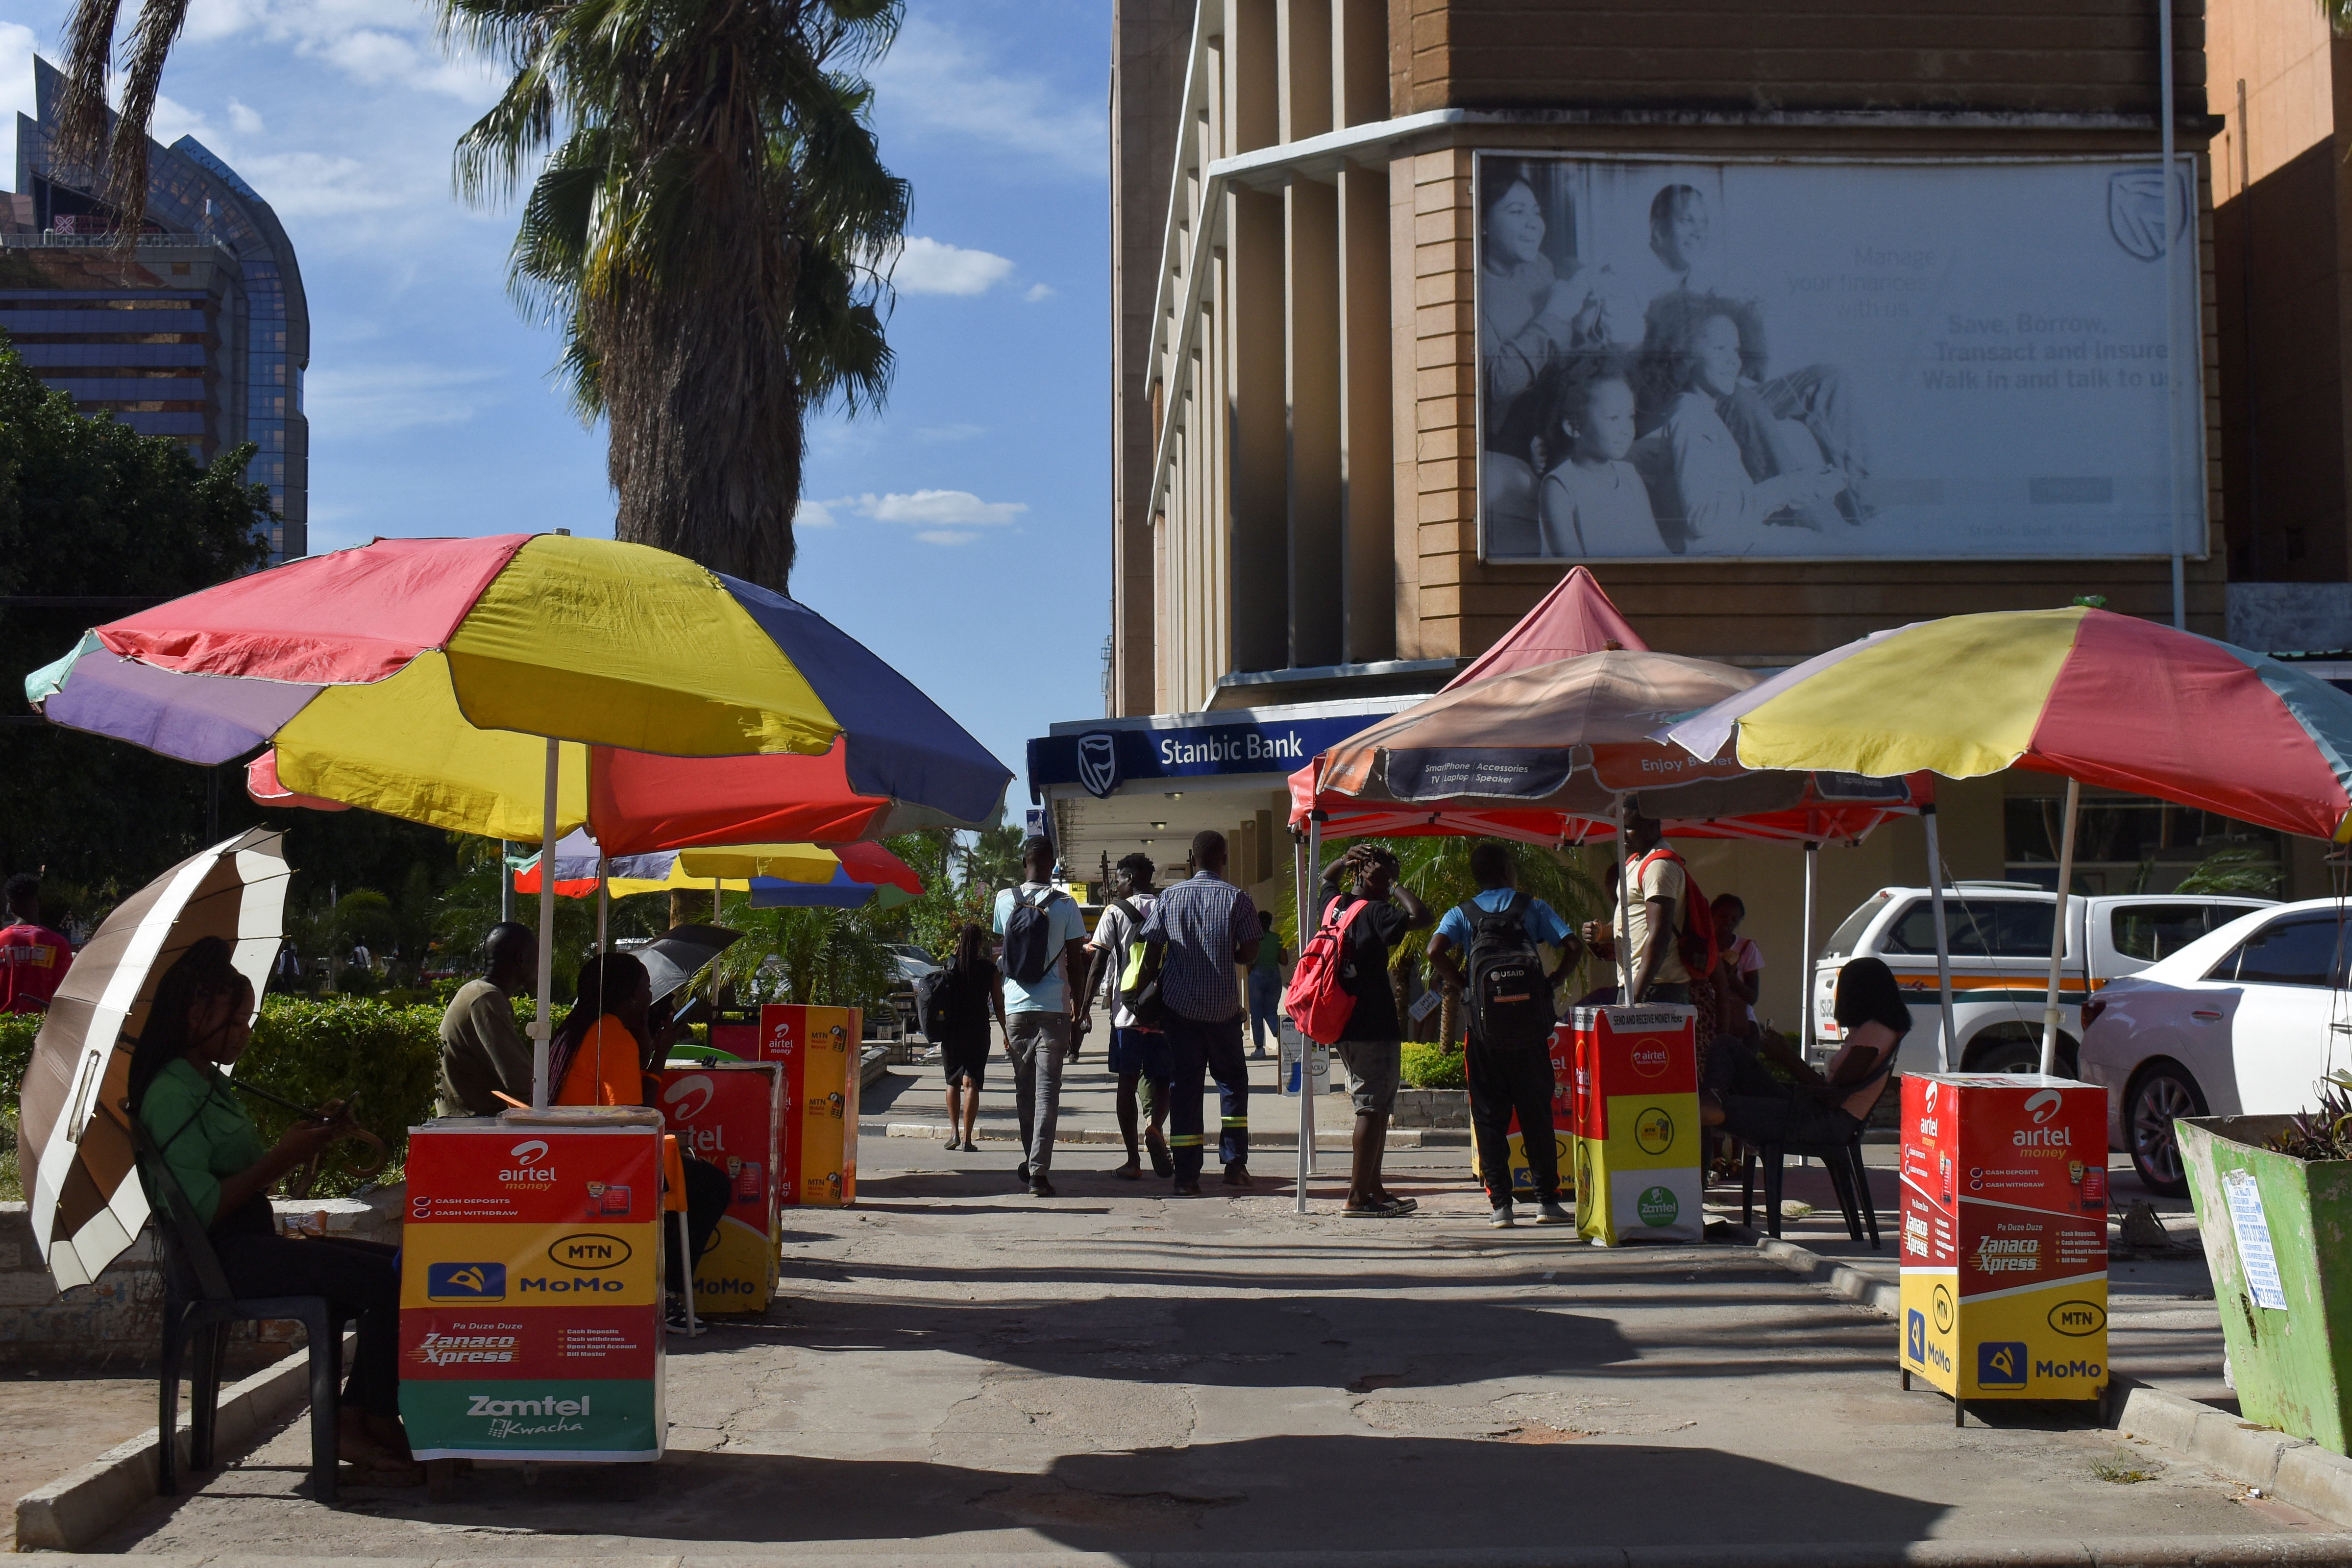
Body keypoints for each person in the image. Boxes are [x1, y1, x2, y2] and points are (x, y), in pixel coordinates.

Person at [128, 937, 416, 1475]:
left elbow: (242, 1165)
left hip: (251, 1244)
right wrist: (286, 1156)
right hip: (222, 1258)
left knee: (402, 1267)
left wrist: (310, 1137)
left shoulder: (207, 1081)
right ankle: (352, 1421)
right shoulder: (172, 1092)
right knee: (388, 1282)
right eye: (236, 1020)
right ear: (196, 1015)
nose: (246, 1031)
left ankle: (373, 1410)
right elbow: (204, 1206)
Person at [551, 952, 732, 1323]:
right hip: (604, 1165)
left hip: (573, 1153)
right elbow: (637, 1122)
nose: (651, 997)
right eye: (646, 990)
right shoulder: (613, 1035)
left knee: (690, 1178)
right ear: (630, 997)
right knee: (709, 1186)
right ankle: (669, 1297)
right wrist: (659, 1054)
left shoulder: (581, 1026)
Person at [1427, 840, 1582, 1228]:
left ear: (1478, 877)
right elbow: (1573, 945)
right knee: (1537, 1115)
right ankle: (1547, 1202)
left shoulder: (1461, 913)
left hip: (1483, 1035)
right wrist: (1552, 981)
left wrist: (1462, 981)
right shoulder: (1531, 907)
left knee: (1489, 1117)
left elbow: (1434, 951)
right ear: (1507, 871)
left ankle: (1502, 1206)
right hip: (1530, 1034)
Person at [1628, 304, 1846, 555]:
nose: (1733, 360)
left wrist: (1801, 485)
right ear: (1687, 356)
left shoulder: (1703, 414)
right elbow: (1703, 519)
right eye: (1720, 349)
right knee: (1846, 554)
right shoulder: (1689, 415)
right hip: (1728, 552)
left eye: (1735, 350)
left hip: (1744, 541)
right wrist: (1786, 487)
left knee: (1844, 548)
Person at [1135, 831, 1260, 1196]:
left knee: (1186, 1089)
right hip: (1223, 1011)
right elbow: (1250, 949)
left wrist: (1140, 1001)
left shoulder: (1170, 898)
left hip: (1179, 1012)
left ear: (1193, 858)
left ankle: (1186, 1179)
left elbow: (1151, 948)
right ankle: (1235, 1164)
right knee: (1233, 1084)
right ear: (1223, 857)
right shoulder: (1238, 898)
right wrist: (1235, 956)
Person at [1318, 844, 1431, 1217]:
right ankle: (1356, 1197)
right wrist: (1394, 883)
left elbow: (1325, 879)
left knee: (1377, 1108)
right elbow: (1421, 916)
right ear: (1375, 880)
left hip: (1343, 1022)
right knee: (1371, 1108)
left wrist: (1344, 862)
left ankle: (1374, 1188)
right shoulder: (1377, 911)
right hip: (1373, 1024)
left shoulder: (1336, 906)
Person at [1703, 956, 1907, 1149]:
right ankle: (1714, 1099)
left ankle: (1714, 1105)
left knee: (1723, 1106)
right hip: (1813, 1110)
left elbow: (1832, 1099)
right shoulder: (1872, 1030)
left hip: (1825, 1123)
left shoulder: (1875, 1032)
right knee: (1727, 1045)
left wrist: (1787, 1057)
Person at [994, 837, 1089, 1199]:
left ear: (1024, 862)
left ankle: (1030, 1160)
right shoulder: (1066, 904)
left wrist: (1002, 1015)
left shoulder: (1004, 900)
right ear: (1053, 865)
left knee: (1024, 1092)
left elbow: (1002, 956)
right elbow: (1075, 962)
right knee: (1048, 1094)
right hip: (1053, 1008)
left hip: (1017, 1007)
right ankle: (1038, 1171)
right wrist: (1078, 1006)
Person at [1081, 853, 1173, 1180]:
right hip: (1162, 1011)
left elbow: (1098, 964)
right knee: (1162, 1080)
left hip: (1126, 1014)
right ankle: (1155, 1127)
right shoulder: (1168, 905)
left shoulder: (1114, 913)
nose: (1116, 885)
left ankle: (1133, 1161)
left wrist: (1084, 1009)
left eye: (1119, 879)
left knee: (1127, 1082)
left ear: (1130, 879)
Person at [1538, 355, 1660, 557]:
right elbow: (1571, 567)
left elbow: (1656, 550)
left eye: (1630, 417)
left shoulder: (1630, 476)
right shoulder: (1560, 487)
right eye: (1613, 418)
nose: (1626, 430)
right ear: (1574, 427)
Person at [1583, 806, 1692, 1005]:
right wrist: (1602, 932)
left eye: (1630, 828)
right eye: (1620, 828)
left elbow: (1659, 934)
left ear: (1651, 824)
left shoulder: (1659, 866)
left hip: (1657, 986)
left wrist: (1635, 998)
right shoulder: (1635, 861)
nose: (1623, 835)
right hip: (1634, 983)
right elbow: (1631, 917)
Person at [435, 921, 537, 1116]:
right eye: (537, 957)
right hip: (471, 1124)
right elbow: (520, 1080)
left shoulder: (480, 992)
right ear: (522, 958)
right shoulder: (486, 998)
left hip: (472, 1120)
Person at [936, 922, 1003, 1154]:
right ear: (980, 943)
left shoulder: (952, 967)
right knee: (971, 1081)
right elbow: (998, 1002)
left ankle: (953, 1132)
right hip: (978, 1029)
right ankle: (967, 1139)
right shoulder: (988, 969)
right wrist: (1006, 1031)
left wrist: (953, 958)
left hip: (953, 1030)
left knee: (952, 1081)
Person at [1, 872, 73, 1014]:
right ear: (38, 903)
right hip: (44, 1029)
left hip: (4, 1030)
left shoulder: (1, 941)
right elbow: (68, 992)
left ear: (12, 907)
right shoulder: (58, 944)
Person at [1714, 893, 1763, 1041]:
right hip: (1708, 1022)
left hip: (1741, 1024)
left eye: (1734, 920)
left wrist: (1729, 976)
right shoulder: (1700, 945)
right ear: (1710, 915)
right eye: (1723, 916)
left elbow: (1753, 997)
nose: (1728, 922)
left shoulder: (1746, 948)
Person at [1246, 910, 1285, 1059]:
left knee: (1256, 1013)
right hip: (1275, 976)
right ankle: (1283, 1040)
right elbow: (1284, 961)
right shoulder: (1277, 938)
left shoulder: (1254, 940)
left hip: (1257, 976)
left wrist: (1251, 970)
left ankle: (1259, 1048)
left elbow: (1249, 960)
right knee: (1270, 1011)